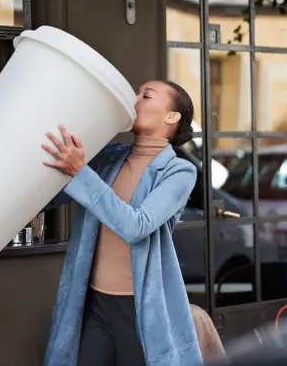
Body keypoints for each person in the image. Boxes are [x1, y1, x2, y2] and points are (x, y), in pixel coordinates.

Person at [40, 81, 202, 366]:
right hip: (93, 301)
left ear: (171, 116)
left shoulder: (179, 171)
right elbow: (52, 195)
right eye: (136, 93)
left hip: (140, 308)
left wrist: (81, 173)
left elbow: (136, 226)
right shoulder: (111, 156)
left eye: (146, 95)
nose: (135, 99)